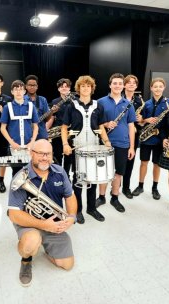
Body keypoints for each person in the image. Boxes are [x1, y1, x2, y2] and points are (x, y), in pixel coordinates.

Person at [8, 139, 77, 287]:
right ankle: (26, 260)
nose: (45, 157)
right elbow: (13, 214)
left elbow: (70, 196)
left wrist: (71, 217)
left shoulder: (59, 172)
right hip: (30, 223)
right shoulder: (21, 177)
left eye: (48, 154)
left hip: (53, 222)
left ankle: (46, 247)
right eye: (40, 153)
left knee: (67, 264)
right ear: (31, 153)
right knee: (31, 242)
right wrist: (43, 225)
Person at [62, 75, 111, 223]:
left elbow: (101, 126)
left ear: (92, 88)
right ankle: (78, 210)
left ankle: (92, 208)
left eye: (88, 86)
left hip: (94, 149)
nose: (85, 88)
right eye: (82, 86)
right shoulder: (71, 106)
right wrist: (65, 144)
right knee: (78, 181)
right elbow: (64, 128)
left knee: (93, 179)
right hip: (77, 149)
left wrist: (106, 141)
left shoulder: (98, 106)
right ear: (78, 88)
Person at [96, 73, 136, 213]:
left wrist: (132, 146)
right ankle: (101, 197)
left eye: (120, 83)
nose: (117, 85)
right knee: (103, 171)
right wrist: (107, 124)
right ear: (110, 85)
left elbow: (131, 126)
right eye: (115, 83)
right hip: (104, 143)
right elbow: (97, 123)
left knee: (118, 173)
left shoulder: (129, 104)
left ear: (123, 86)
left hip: (123, 143)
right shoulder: (100, 102)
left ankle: (115, 197)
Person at [132, 78, 169, 200]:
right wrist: (145, 120)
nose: (157, 89)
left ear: (164, 87)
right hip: (147, 137)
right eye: (155, 86)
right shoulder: (146, 104)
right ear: (151, 88)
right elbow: (140, 122)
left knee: (157, 164)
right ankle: (140, 186)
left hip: (160, 139)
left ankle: (155, 188)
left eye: (160, 86)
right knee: (143, 163)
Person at [0, 80, 39, 176]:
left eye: (21, 89)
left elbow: (36, 126)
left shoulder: (31, 106)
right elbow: (2, 128)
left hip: (29, 145)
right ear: (12, 92)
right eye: (16, 89)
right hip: (14, 146)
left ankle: (28, 191)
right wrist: (11, 142)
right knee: (16, 172)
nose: (18, 92)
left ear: (24, 91)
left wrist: (32, 142)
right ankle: (16, 191)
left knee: (30, 171)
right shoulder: (7, 107)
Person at [121, 74, 144, 199]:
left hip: (133, 134)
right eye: (128, 82)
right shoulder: (118, 97)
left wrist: (141, 120)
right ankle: (115, 187)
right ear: (124, 85)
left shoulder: (140, 101)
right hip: (118, 134)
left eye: (133, 83)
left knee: (130, 162)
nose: (131, 84)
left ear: (136, 85)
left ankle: (126, 187)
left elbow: (141, 121)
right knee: (117, 162)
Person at [47, 78, 73, 173]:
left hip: (70, 133)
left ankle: (66, 175)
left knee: (68, 156)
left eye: (66, 86)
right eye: (62, 86)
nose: (64, 88)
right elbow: (50, 117)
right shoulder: (54, 102)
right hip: (57, 133)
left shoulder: (75, 100)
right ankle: (58, 175)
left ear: (70, 88)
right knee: (57, 156)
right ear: (58, 89)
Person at [24, 75, 50, 140]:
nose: (32, 87)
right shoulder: (21, 99)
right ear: (26, 86)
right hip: (26, 135)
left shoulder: (43, 99)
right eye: (30, 85)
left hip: (41, 134)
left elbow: (47, 119)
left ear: (37, 86)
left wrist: (51, 112)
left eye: (34, 85)